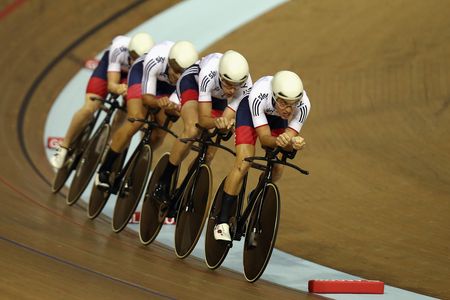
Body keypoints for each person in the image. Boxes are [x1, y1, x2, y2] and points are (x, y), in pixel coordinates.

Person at [213, 70, 311, 241]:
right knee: (243, 163)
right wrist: (286, 142)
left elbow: (286, 140)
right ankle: (221, 222)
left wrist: (293, 143)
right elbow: (265, 140)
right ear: (274, 95)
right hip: (249, 114)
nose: (288, 110)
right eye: (283, 103)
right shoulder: (260, 93)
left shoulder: (303, 106)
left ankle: (256, 193)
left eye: (292, 104)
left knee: (278, 169)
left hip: (275, 119)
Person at [152, 50, 253, 207]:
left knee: (209, 154)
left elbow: (226, 118)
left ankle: (187, 187)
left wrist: (225, 125)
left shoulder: (246, 86)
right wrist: (218, 122)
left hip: (218, 98)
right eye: (228, 84)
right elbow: (205, 121)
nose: (232, 90)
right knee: (193, 129)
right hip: (193, 84)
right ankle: (163, 181)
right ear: (220, 75)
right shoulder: (209, 73)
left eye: (236, 86)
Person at [95, 40, 199, 189]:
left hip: (167, 90)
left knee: (159, 133)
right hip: (142, 75)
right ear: (169, 63)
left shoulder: (190, 78)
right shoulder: (155, 59)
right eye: (176, 71)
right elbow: (146, 98)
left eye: (183, 73)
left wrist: (171, 107)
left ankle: (135, 166)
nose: (178, 77)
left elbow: (175, 112)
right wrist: (158, 103)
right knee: (136, 120)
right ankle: (105, 168)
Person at [50, 33, 154, 169]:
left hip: (131, 77)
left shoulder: (149, 64)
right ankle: (64, 147)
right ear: (129, 51)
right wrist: (119, 88)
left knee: (127, 109)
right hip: (108, 71)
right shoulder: (119, 48)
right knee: (89, 108)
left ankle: (108, 145)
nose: (135, 62)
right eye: (134, 58)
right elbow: (111, 85)